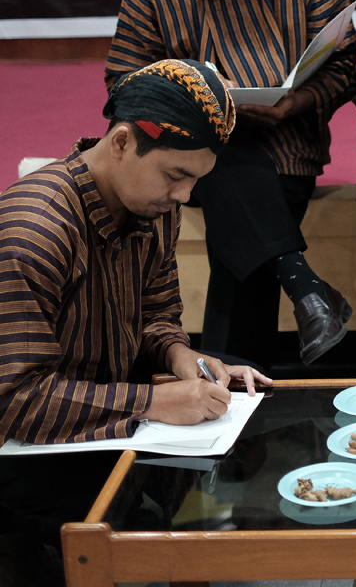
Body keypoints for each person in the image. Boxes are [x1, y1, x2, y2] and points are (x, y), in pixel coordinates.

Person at [0, 59, 272, 585]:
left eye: (196, 180)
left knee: (225, 496)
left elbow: (155, 314)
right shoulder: (34, 233)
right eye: (176, 175)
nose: (184, 197)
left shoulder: (153, 208)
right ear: (122, 141)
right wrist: (153, 401)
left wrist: (180, 356)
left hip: (100, 432)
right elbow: (13, 402)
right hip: (26, 461)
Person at [105, 0, 356, 369]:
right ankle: (308, 290)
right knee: (213, 150)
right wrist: (199, 102)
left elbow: (345, 69)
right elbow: (122, 86)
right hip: (189, 159)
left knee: (232, 183)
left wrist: (295, 103)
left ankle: (228, 382)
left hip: (287, 147)